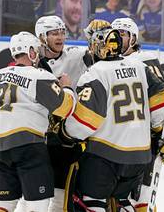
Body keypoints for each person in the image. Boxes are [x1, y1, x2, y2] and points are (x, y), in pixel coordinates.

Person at [60, 27, 164, 212]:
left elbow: (86, 121)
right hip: (139, 158)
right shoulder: (140, 67)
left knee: (90, 201)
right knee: (122, 200)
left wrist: (65, 132)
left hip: (105, 156)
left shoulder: (95, 73)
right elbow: (162, 101)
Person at [0, 31, 75, 212]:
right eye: (36, 50)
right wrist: (67, 87)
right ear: (30, 52)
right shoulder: (39, 76)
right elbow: (65, 109)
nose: (38, 54)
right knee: (37, 206)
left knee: (3, 204)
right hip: (29, 149)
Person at [35, 16, 108, 212]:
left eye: (62, 32)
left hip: (64, 141)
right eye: (53, 33)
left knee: (60, 198)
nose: (60, 37)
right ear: (42, 37)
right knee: (34, 198)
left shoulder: (74, 56)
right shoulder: (33, 65)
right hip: (40, 139)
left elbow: (98, 55)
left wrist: (97, 37)